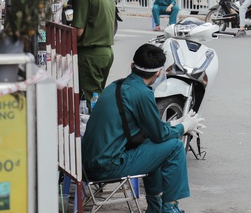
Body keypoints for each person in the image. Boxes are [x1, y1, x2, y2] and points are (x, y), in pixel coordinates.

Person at [82, 43, 205, 213]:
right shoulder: (142, 93)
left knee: (153, 147)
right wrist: (183, 126)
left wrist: (176, 124)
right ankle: (170, 208)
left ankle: (155, 208)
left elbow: (152, 129)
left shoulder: (115, 86)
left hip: (87, 164)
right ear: (158, 73)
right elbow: (160, 135)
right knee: (175, 147)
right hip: (106, 166)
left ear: (132, 65)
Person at [68, 0, 116, 103]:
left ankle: (94, 127)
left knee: (89, 102)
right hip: (106, 53)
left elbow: (78, 32)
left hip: (90, 56)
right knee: (97, 98)